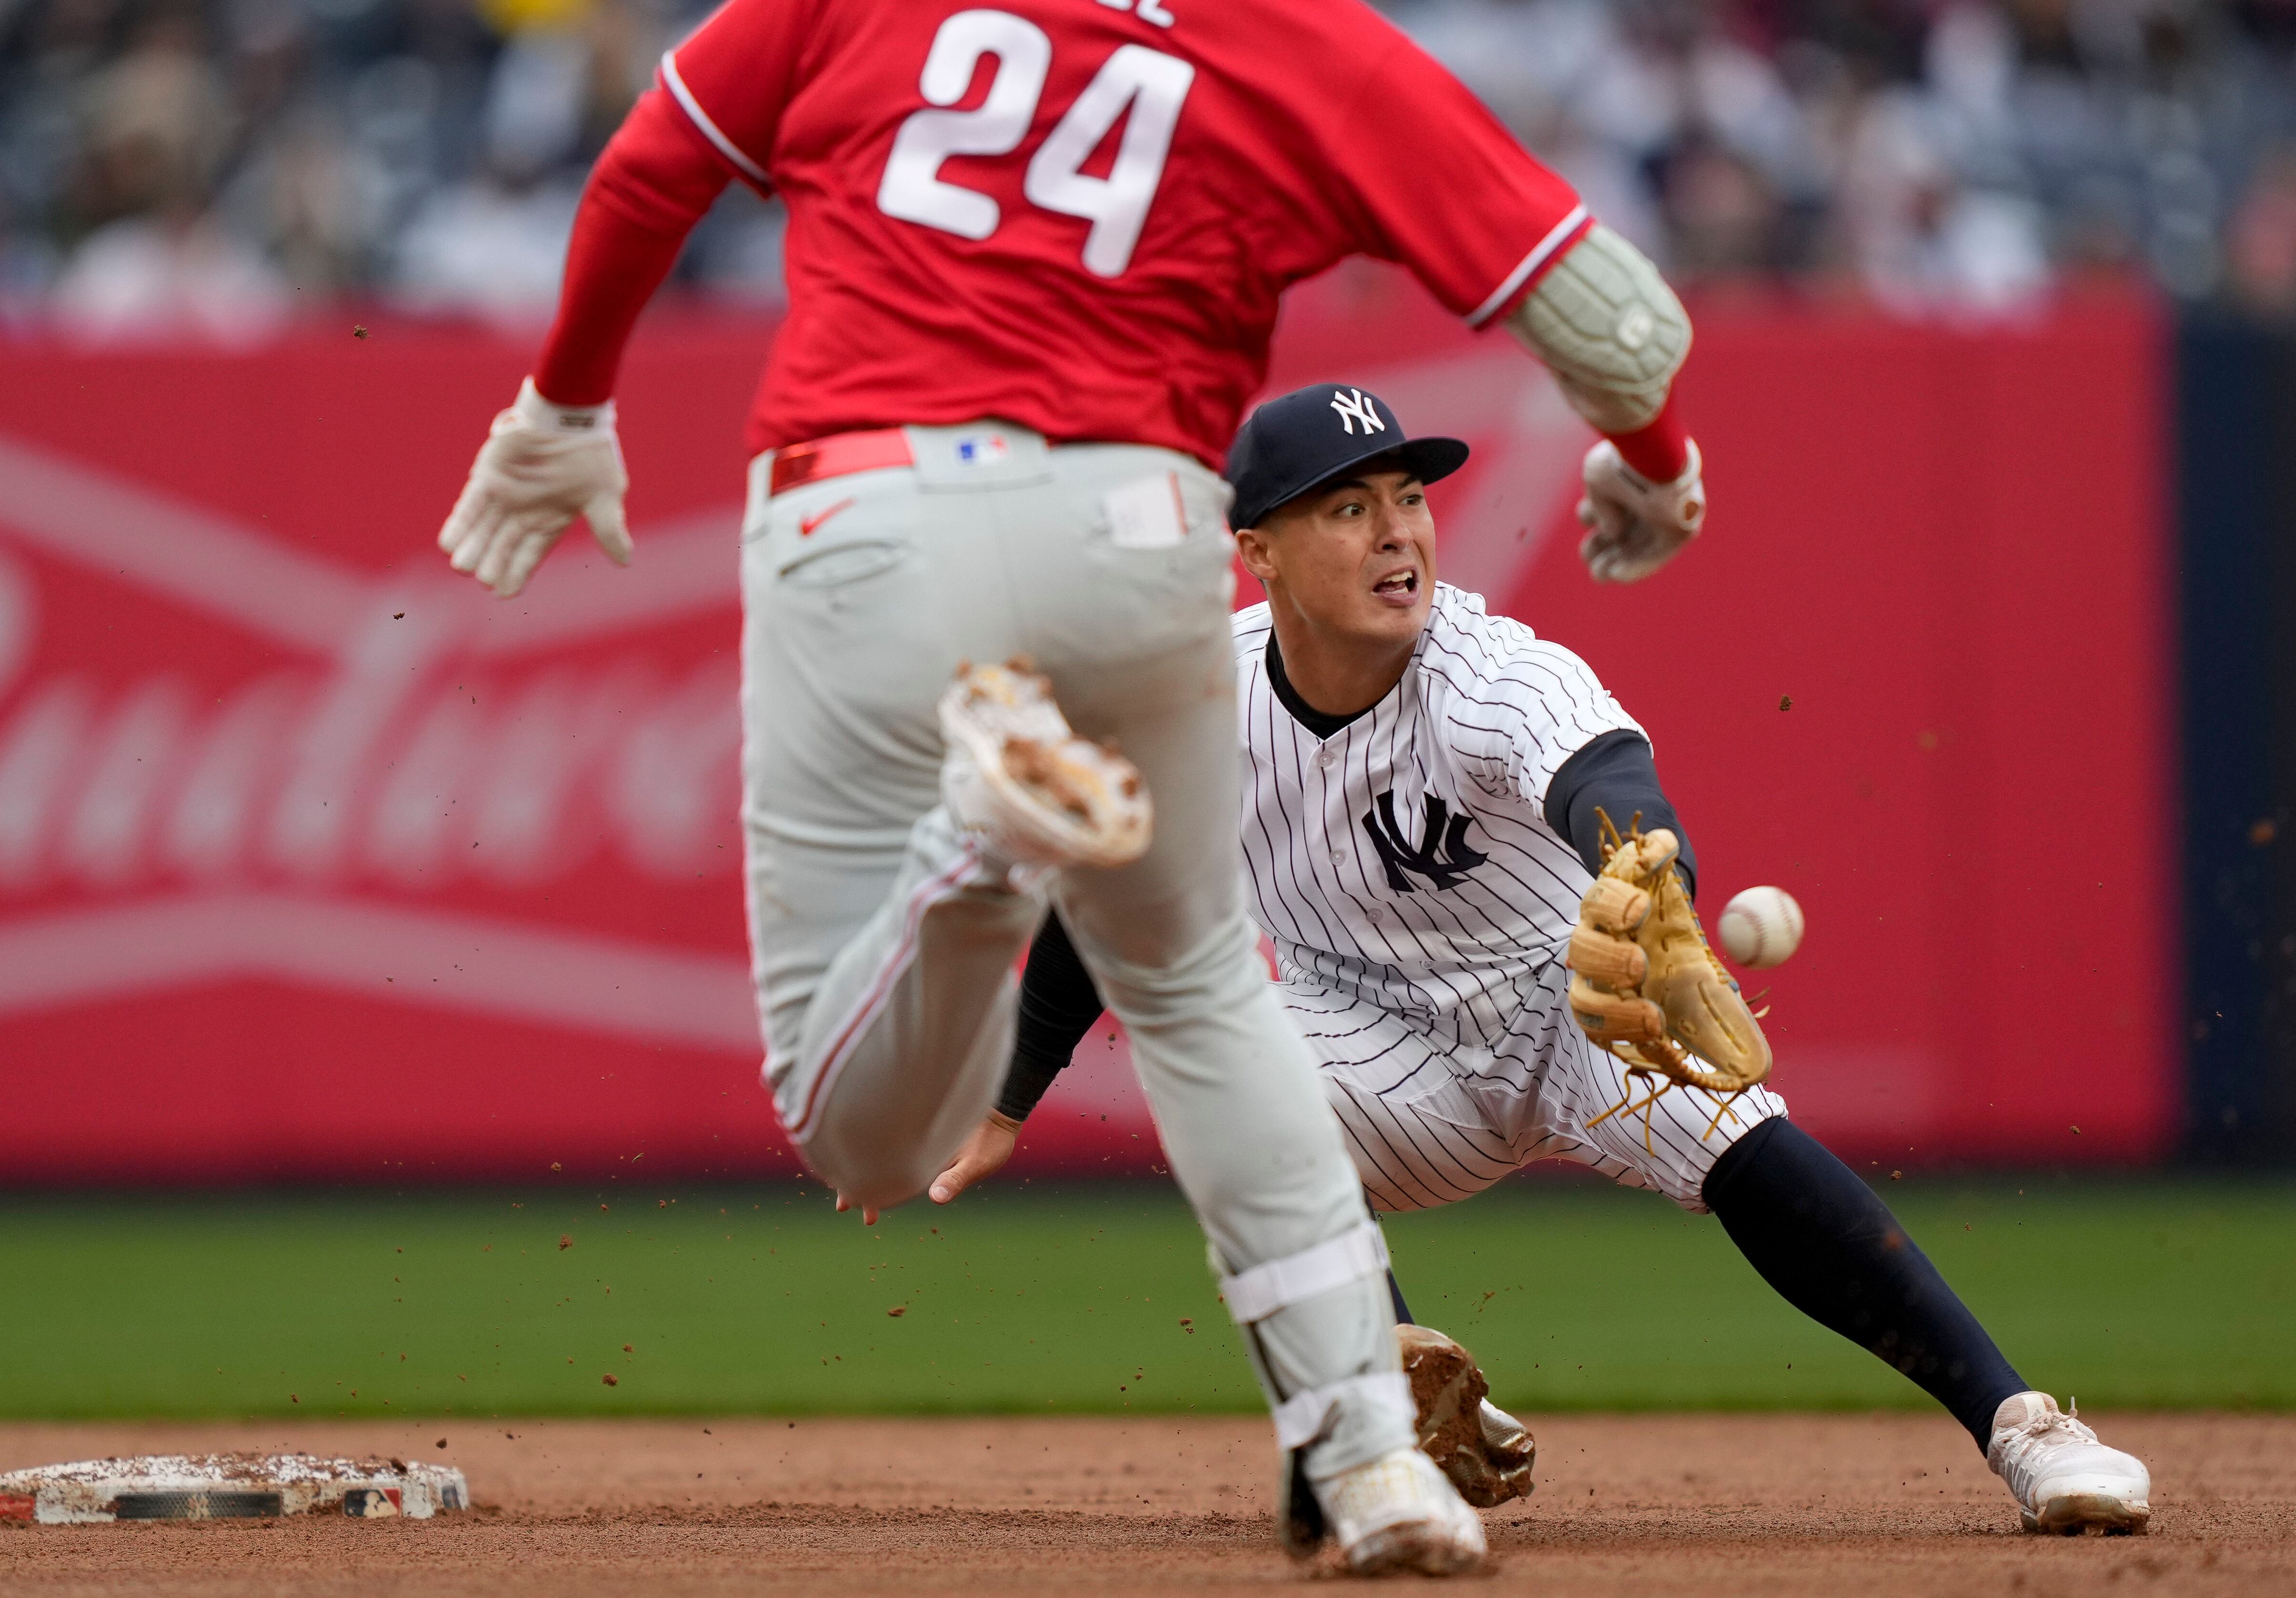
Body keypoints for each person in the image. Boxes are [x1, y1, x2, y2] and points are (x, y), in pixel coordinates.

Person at [428, 0, 1714, 1573]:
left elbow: (647, 166)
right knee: (1196, 989)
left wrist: (564, 404)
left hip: (865, 508)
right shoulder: (1290, 37)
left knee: (862, 1140)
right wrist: (1650, 461)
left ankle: (984, 850)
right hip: (1136, 525)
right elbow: (1618, 321)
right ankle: (1371, 1460)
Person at [933, 382, 2158, 1539]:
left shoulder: (1488, 670)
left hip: (1573, 1002)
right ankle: (1394, 1403)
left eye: (1407, 497)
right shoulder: (1195, 700)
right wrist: (1002, 1101)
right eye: (1348, 508)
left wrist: (1655, 887)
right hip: (1367, 1042)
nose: (1395, 532)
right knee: (1222, 1075)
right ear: (1256, 550)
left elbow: (1605, 782)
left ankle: (2026, 1427)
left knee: (1747, 1144)